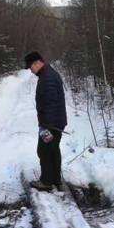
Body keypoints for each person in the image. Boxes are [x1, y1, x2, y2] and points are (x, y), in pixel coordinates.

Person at [24, 51, 67, 191]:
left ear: (37, 63)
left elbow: (50, 103)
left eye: (31, 67)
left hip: (51, 124)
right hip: (54, 122)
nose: (31, 71)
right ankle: (55, 179)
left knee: (44, 151)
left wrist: (46, 126)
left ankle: (47, 181)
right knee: (53, 150)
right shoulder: (48, 74)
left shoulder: (47, 77)